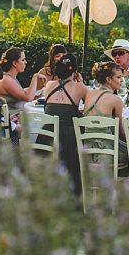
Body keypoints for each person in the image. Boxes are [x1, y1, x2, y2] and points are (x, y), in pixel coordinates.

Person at [40, 53, 88, 192]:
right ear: (75, 71)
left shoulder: (49, 85)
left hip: (46, 135)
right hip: (67, 138)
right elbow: (88, 109)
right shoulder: (80, 87)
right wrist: (81, 82)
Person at [82, 60, 129, 176]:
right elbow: (122, 132)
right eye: (119, 77)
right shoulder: (115, 100)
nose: (122, 81)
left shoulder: (89, 94)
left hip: (88, 151)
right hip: (108, 153)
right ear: (108, 79)